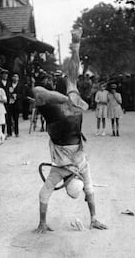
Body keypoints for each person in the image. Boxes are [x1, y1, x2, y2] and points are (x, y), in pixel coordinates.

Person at [33, 27, 107, 233]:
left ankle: (76, 44)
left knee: (67, 80)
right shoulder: (78, 169)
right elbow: (88, 190)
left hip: (66, 116)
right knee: (71, 78)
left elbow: (38, 91)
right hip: (66, 117)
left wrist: (66, 99)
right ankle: (76, 44)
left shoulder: (72, 170)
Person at [6, 73, 24, 137]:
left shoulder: (21, 85)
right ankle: (9, 132)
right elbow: (6, 92)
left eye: (16, 77)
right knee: (8, 119)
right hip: (10, 103)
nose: (15, 78)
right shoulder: (9, 85)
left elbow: (23, 95)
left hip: (17, 104)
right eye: (14, 76)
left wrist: (17, 96)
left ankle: (16, 132)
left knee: (16, 119)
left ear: (18, 78)